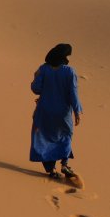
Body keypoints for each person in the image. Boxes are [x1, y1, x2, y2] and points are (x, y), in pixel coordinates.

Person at [30, 43, 83, 179]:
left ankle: (52, 169)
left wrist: (36, 76)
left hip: (44, 111)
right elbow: (73, 93)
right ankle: (64, 164)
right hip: (62, 113)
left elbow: (36, 89)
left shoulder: (43, 69)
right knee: (65, 135)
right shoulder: (69, 71)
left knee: (44, 137)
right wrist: (77, 111)